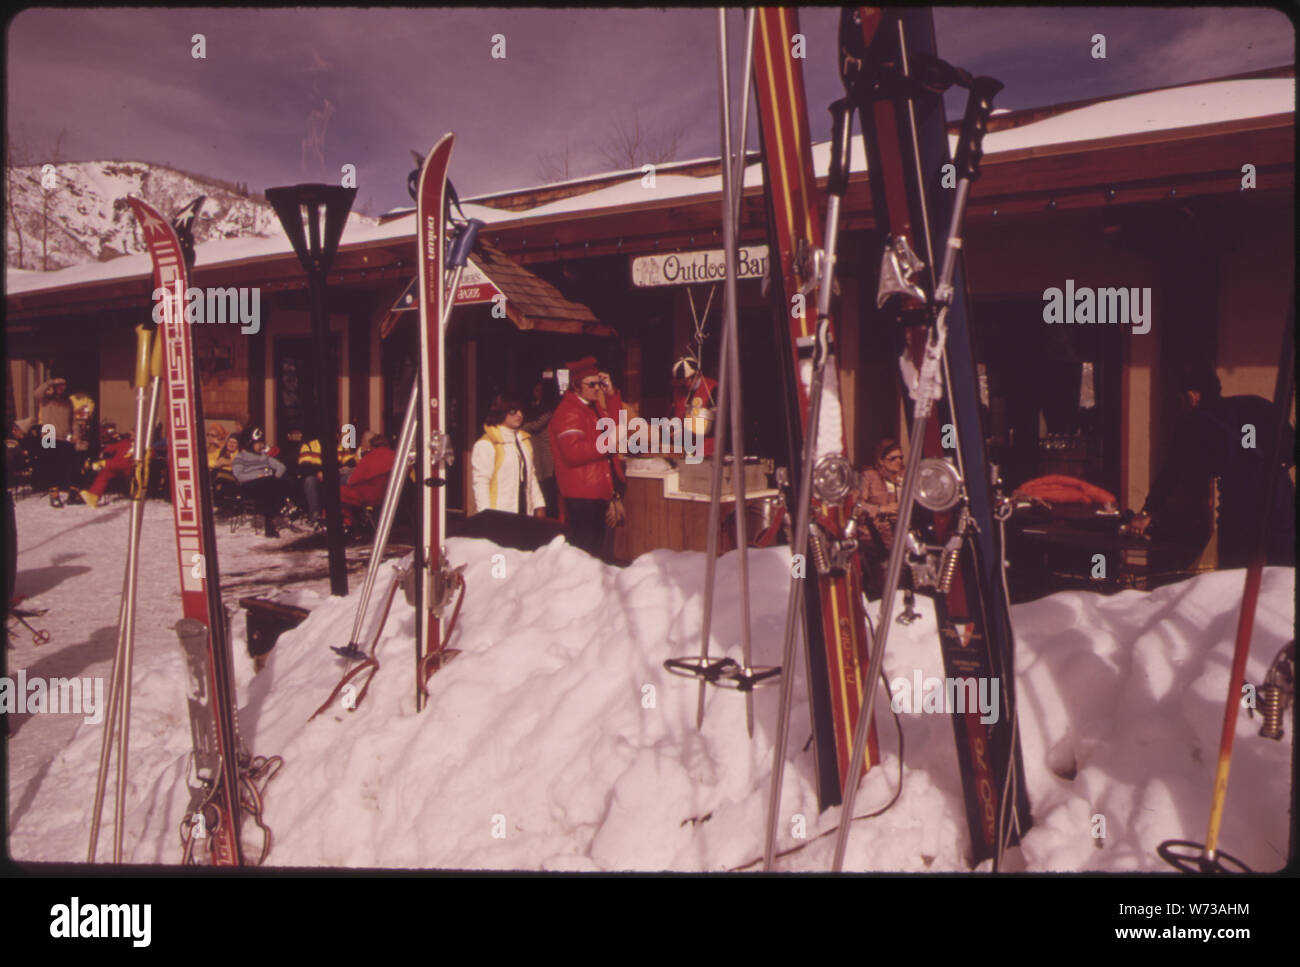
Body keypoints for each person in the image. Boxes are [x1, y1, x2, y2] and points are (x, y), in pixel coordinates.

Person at [1128, 364, 1296, 568]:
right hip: (1280, 497)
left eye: (1181, 400)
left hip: (1240, 504)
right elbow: (1292, 447)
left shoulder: (1192, 424)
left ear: (1192, 396)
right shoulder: (1257, 405)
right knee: (1284, 575)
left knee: (1235, 577)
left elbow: (1171, 474)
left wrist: (1146, 513)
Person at [549, 357, 627, 560]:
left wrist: (611, 395)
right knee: (585, 552)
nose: (597, 389)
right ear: (576, 386)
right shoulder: (568, 412)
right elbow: (573, 453)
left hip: (595, 491)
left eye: (598, 384)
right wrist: (608, 442)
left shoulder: (591, 407)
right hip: (582, 495)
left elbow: (615, 427)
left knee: (595, 551)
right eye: (591, 384)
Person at [473, 397, 547, 517]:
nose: (519, 414)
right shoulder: (487, 444)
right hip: (499, 515)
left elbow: (531, 476)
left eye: (521, 411)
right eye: (513, 411)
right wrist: (485, 516)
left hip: (524, 511)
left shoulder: (524, 441)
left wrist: (539, 505)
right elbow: (481, 484)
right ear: (501, 412)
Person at [231, 428, 289, 537]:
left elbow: (281, 466)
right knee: (268, 484)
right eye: (257, 443)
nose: (260, 445)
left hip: (266, 484)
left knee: (276, 481)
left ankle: (270, 522)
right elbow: (239, 476)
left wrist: (276, 477)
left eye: (261, 443)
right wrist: (256, 476)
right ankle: (281, 506)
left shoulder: (264, 457)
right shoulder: (241, 457)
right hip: (249, 486)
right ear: (250, 443)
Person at [340, 432, 395, 529]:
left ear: (372, 445)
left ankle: (345, 523)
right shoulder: (394, 456)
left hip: (366, 496)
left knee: (333, 490)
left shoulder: (368, 458)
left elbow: (352, 481)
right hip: (385, 494)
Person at [521, 380, 560, 517]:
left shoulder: (548, 410)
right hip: (536, 453)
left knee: (548, 487)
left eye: (540, 390)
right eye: (535, 390)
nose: (537, 393)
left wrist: (521, 426)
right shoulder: (533, 407)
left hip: (546, 453)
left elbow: (535, 425)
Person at [34, 375, 74, 506]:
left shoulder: (68, 402)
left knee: (64, 465)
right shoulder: (46, 399)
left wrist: (75, 434)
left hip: (63, 436)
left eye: (63, 385)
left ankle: (72, 494)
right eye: (58, 385)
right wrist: (50, 382)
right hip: (49, 434)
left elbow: (73, 420)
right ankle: (54, 495)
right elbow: (37, 393)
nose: (61, 388)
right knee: (50, 466)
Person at [670, 356, 718, 459]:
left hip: (706, 449)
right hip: (684, 449)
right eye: (680, 381)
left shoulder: (713, 389)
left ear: (696, 375)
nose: (682, 385)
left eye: (685, 381)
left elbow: (716, 424)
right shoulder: (680, 390)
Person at [78, 423, 133, 508]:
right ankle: (93, 496)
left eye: (133, 432)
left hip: (127, 468)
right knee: (105, 472)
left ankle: (93, 495)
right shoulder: (126, 442)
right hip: (116, 466)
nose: (130, 433)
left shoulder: (136, 446)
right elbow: (113, 447)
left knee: (106, 468)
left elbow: (124, 463)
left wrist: (104, 463)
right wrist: (103, 449)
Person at [210, 434, 242, 508]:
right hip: (219, 476)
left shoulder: (239, 454)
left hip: (234, 477)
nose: (231, 444)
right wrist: (217, 463)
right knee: (214, 474)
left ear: (238, 445)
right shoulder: (221, 451)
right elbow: (211, 461)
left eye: (234, 442)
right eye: (229, 442)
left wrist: (225, 462)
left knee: (218, 474)